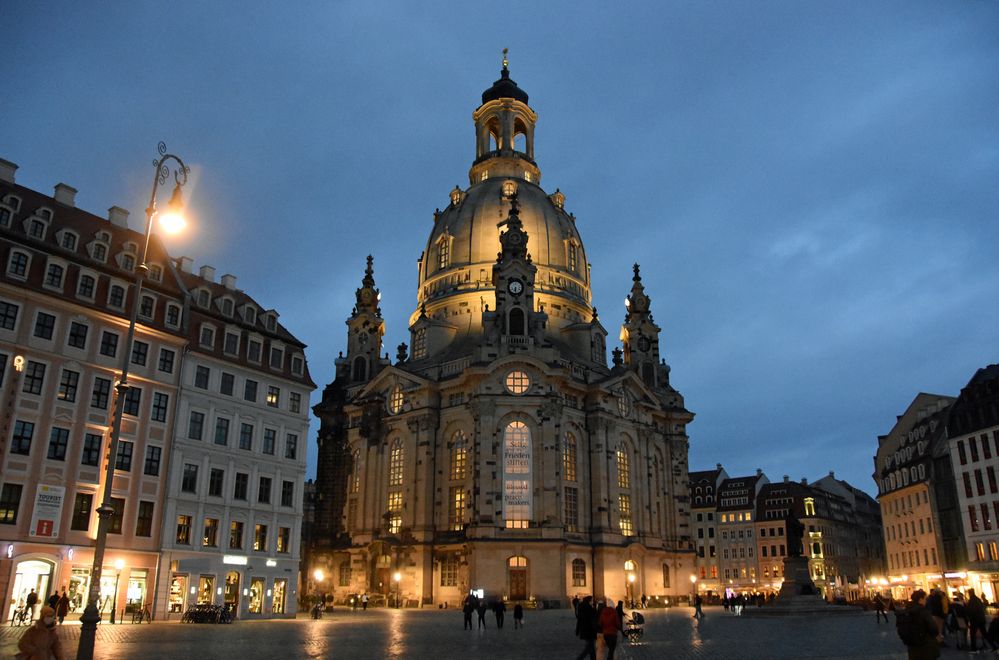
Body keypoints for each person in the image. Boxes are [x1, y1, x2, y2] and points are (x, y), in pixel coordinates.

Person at [901, 589, 939, 660]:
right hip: (925, 645)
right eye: (925, 599)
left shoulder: (907, 610)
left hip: (912, 645)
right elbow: (934, 628)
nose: (926, 601)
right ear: (920, 599)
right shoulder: (923, 611)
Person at [574, 596, 597, 660]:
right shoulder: (589, 609)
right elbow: (593, 620)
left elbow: (579, 621)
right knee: (588, 648)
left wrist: (578, 630)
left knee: (591, 648)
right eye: (592, 600)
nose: (592, 602)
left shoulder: (582, 608)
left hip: (585, 631)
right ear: (588, 601)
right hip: (589, 631)